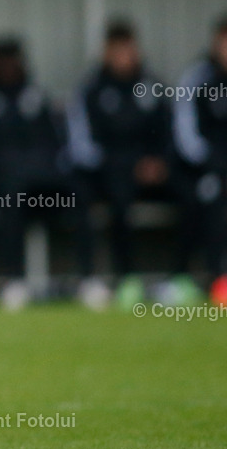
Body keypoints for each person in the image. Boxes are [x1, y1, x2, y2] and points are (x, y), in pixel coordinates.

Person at [0, 38, 86, 302]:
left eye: (13, 60)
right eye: (2, 61)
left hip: (43, 183)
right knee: (11, 199)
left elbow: (59, 143)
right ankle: (13, 282)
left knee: (80, 192)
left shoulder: (37, 98)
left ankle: (88, 279)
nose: (8, 67)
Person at [66, 21, 173, 304]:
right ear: (107, 52)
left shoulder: (153, 86)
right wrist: (128, 165)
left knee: (200, 191)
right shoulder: (91, 89)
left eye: (129, 50)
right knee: (109, 195)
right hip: (109, 172)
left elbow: (170, 132)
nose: (124, 56)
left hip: (154, 170)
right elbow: (82, 147)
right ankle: (121, 278)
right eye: (118, 51)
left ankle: (181, 279)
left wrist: (158, 162)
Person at [172, 15, 227, 295]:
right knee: (209, 198)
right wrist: (214, 162)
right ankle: (214, 277)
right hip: (205, 167)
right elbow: (186, 136)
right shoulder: (198, 77)